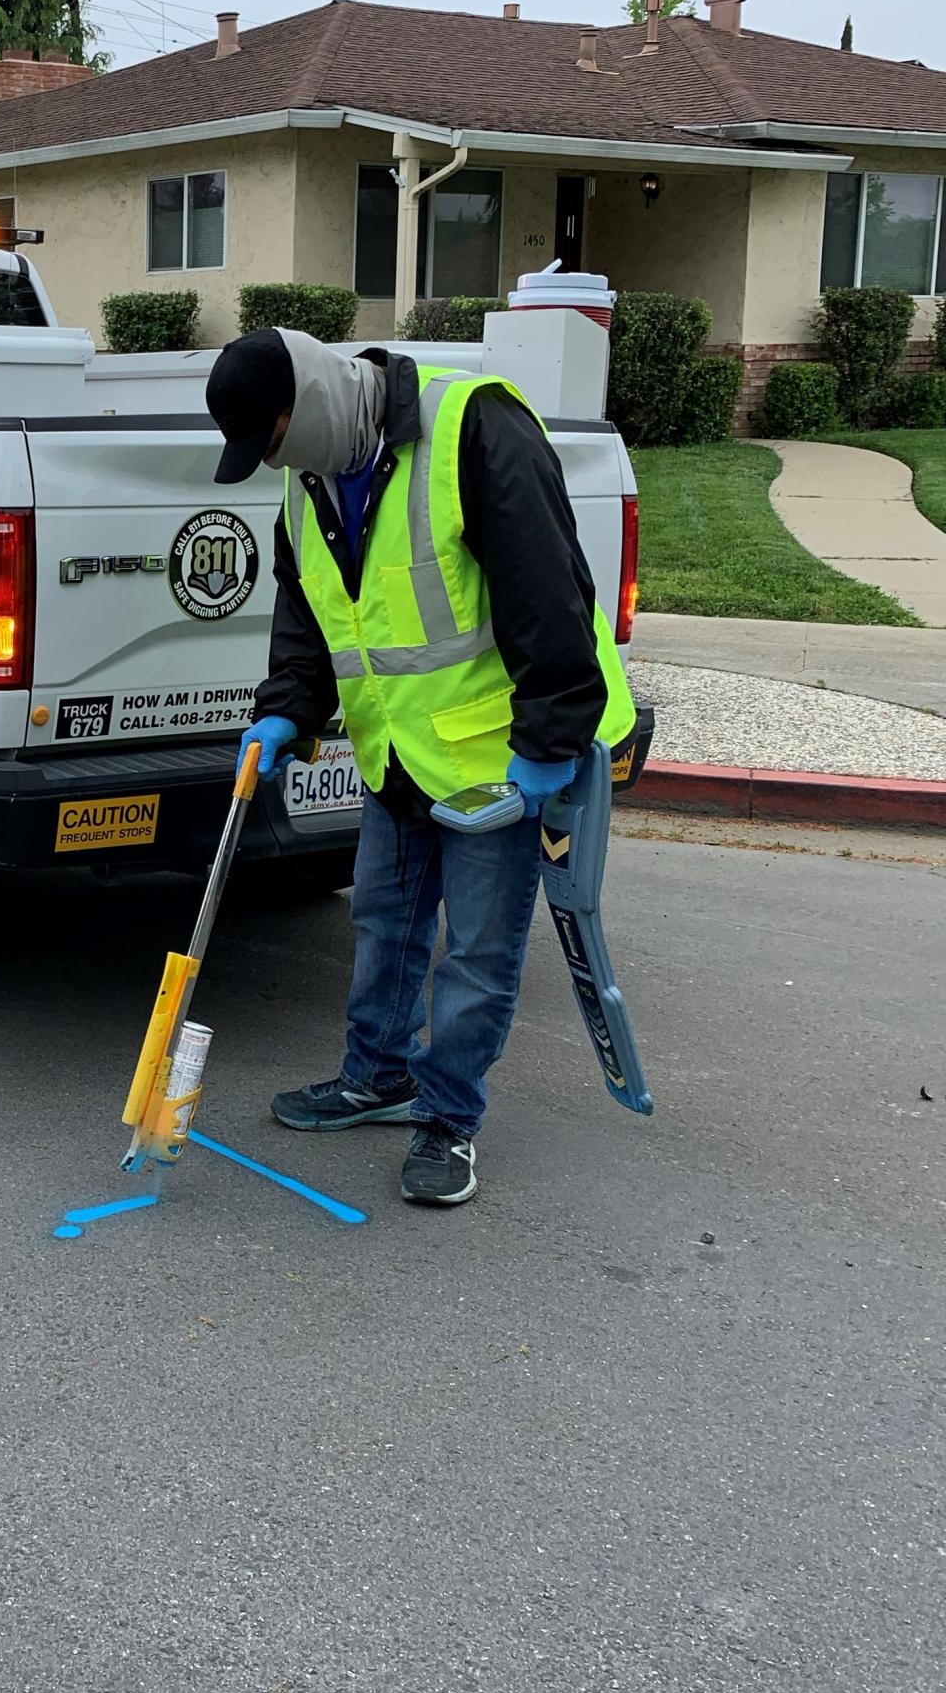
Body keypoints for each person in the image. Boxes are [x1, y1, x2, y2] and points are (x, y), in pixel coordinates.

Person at [206, 325, 636, 1208]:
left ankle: (449, 1119)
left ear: (312, 404)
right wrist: (285, 707)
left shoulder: (473, 426)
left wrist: (551, 741)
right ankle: (378, 1077)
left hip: (498, 761)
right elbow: (313, 615)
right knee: (386, 923)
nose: (275, 460)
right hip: (396, 750)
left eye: (274, 438)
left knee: (475, 951)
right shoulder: (309, 485)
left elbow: (549, 588)